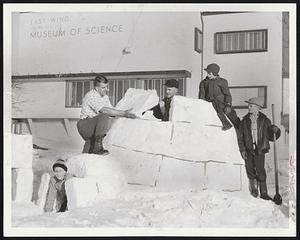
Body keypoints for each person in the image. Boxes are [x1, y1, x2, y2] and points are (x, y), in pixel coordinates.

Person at [77, 75, 137, 155]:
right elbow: (104, 110)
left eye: (106, 87)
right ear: (96, 88)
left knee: (87, 156)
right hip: (85, 125)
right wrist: (124, 114)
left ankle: (86, 156)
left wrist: (123, 112)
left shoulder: (105, 97)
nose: (106, 89)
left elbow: (112, 112)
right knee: (104, 115)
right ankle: (97, 148)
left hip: (94, 127)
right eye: (103, 88)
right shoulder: (90, 96)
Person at [238, 97, 281, 200]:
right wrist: (243, 149)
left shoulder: (265, 120)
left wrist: (276, 130)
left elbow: (271, 137)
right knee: (250, 169)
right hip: (248, 149)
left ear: (258, 108)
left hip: (260, 149)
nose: (248, 107)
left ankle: (264, 192)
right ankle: (253, 189)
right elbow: (241, 137)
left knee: (260, 170)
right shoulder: (244, 120)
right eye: (248, 105)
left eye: (251, 106)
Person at [198, 63, 240, 130]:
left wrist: (228, 105)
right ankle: (226, 124)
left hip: (223, 104)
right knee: (216, 105)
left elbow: (227, 95)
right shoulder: (203, 83)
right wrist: (202, 105)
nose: (208, 75)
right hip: (211, 104)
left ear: (215, 73)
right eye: (207, 73)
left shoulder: (222, 82)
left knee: (231, 115)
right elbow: (202, 96)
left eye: (210, 73)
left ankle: (239, 126)